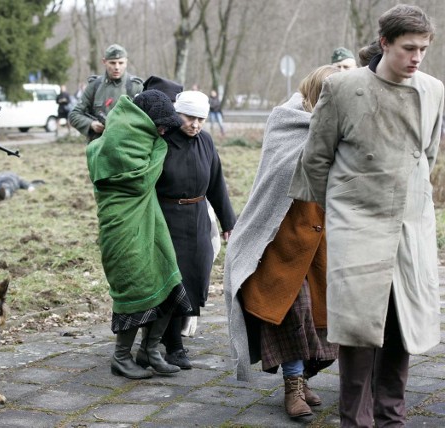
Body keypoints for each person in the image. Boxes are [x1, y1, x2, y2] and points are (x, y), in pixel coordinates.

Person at [289, 5, 444, 426]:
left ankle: (391, 416)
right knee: (358, 331)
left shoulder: (433, 90)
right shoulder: (342, 88)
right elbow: (315, 161)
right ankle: (355, 421)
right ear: (384, 44)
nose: (416, 57)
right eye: (407, 48)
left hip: (410, 226)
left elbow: (426, 156)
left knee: (402, 325)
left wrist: (412, 202)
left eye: (423, 49)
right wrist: (346, 211)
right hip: (357, 225)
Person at [224, 65, 340, 419]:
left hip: (324, 238)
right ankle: (292, 388)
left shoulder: (343, 127)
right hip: (285, 237)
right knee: (293, 312)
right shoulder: (285, 121)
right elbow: (274, 179)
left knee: (325, 318)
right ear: (318, 93)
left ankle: (303, 378)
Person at [86, 90, 192, 380]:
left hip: (147, 220)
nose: (163, 132)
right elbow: (141, 179)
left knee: (168, 276)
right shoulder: (120, 140)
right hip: (121, 226)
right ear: (142, 120)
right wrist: (160, 148)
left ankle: (150, 350)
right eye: (160, 125)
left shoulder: (139, 136)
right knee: (134, 284)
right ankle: (121, 357)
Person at [157, 90, 236, 370]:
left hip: (198, 217)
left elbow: (216, 183)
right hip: (167, 218)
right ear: (178, 113)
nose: (196, 124)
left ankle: (174, 338)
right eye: (190, 117)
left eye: (201, 119)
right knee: (173, 281)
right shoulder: (162, 141)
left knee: (195, 277)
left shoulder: (206, 141)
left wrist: (229, 222)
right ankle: (173, 346)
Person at [69, 44, 143, 141]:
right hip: (99, 145)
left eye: (121, 63)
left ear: (126, 62)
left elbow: (147, 119)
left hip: (128, 144)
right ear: (104, 62)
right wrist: (91, 124)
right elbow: (74, 115)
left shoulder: (136, 86)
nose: (117, 67)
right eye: (112, 63)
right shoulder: (94, 86)